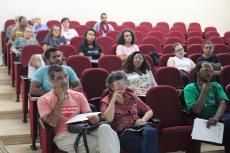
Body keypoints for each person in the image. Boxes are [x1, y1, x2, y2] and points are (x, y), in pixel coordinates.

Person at [38, 64, 120, 153]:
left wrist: (94, 119)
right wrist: (60, 99)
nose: (65, 81)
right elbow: (52, 123)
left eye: (66, 77)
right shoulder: (43, 100)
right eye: (59, 78)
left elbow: (89, 114)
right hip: (64, 136)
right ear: (51, 81)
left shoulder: (78, 95)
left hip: (84, 129)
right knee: (109, 141)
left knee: (105, 127)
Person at [100, 71, 158, 153]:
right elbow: (108, 119)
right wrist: (113, 100)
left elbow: (149, 111)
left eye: (123, 83)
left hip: (139, 127)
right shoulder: (105, 101)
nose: (121, 85)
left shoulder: (131, 96)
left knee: (151, 131)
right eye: (118, 83)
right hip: (123, 132)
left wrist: (143, 119)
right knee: (145, 142)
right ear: (111, 86)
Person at [184, 62, 230, 152]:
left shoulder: (216, 85)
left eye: (211, 71)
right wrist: (204, 91)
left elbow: (223, 102)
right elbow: (197, 110)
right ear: (197, 71)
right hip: (203, 120)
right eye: (206, 70)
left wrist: (216, 117)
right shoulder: (189, 88)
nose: (209, 73)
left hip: (220, 117)